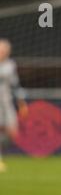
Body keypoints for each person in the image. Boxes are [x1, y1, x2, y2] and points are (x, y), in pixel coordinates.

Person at [0, 39, 28, 172]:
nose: (3, 53)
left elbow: (15, 84)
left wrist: (21, 102)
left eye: (5, 51)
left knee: (12, 131)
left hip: (6, 101)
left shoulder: (10, 65)